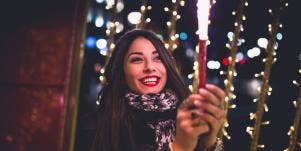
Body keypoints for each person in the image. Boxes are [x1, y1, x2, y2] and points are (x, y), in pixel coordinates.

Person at [87, 29, 226, 151]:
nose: (150, 67)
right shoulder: (102, 125)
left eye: (157, 58)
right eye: (137, 60)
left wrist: (209, 143)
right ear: (121, 71)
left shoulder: (188, 115)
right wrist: (179, 148)